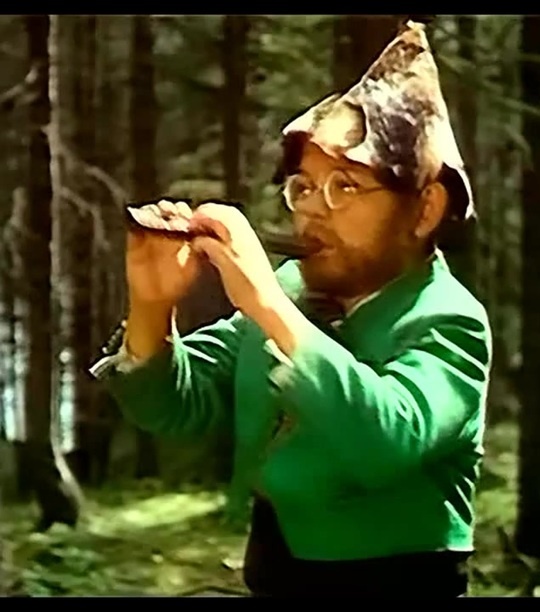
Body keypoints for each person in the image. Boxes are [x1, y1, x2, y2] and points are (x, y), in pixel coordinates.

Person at [90, 20, 491, 598]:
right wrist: (153, 306)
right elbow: (178, 406)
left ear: (425, 208)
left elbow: (387, 440)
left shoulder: (449, 318)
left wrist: (268, 305)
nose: (311, 212)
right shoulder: (291, 289)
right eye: (302, 188)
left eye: (345, 187)